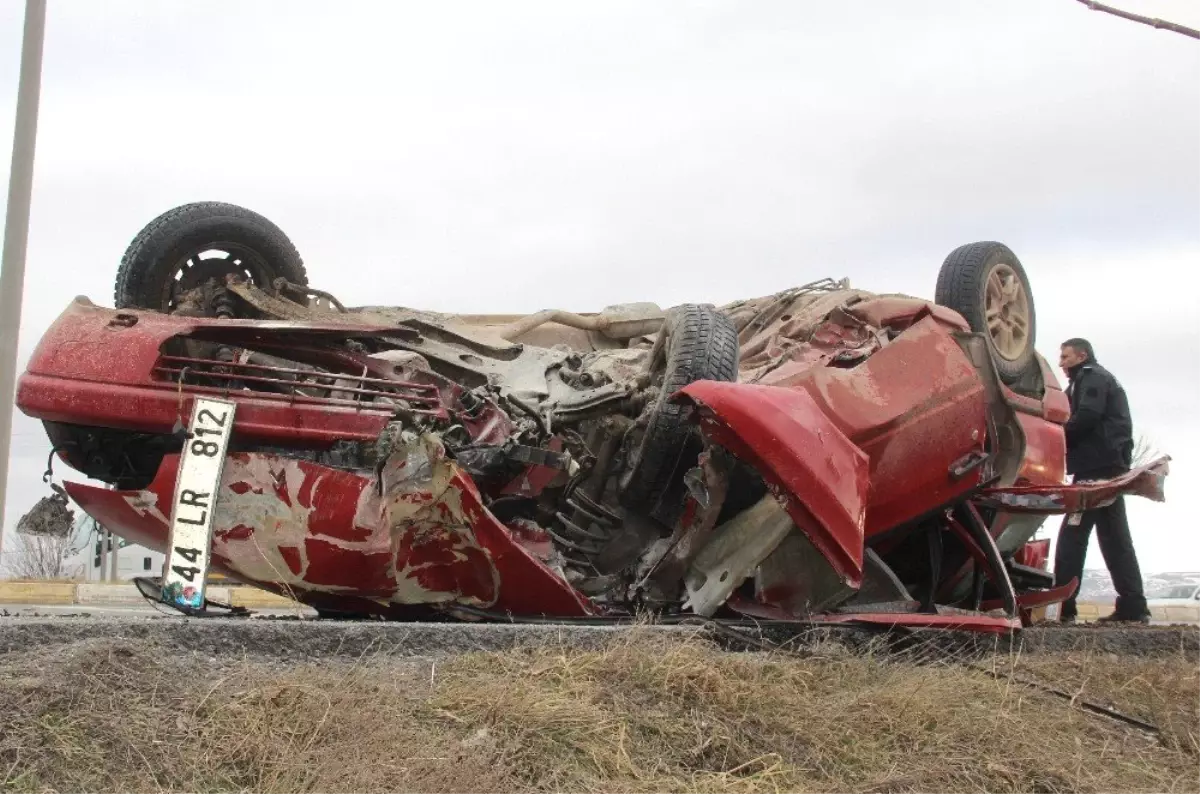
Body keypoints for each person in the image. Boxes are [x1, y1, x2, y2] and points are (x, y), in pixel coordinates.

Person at [1053, 338, 1150, 624]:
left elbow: (1086, 417)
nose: (1061, 363)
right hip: (1108, 467)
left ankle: (1063, 608)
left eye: (1065, 357)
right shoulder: (1091, 380)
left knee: (1072, 536)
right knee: (1115, 538)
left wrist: (1055, 440)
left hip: (1096, 471)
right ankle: (1133, 607)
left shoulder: (1091, 377)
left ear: (1082, 355)